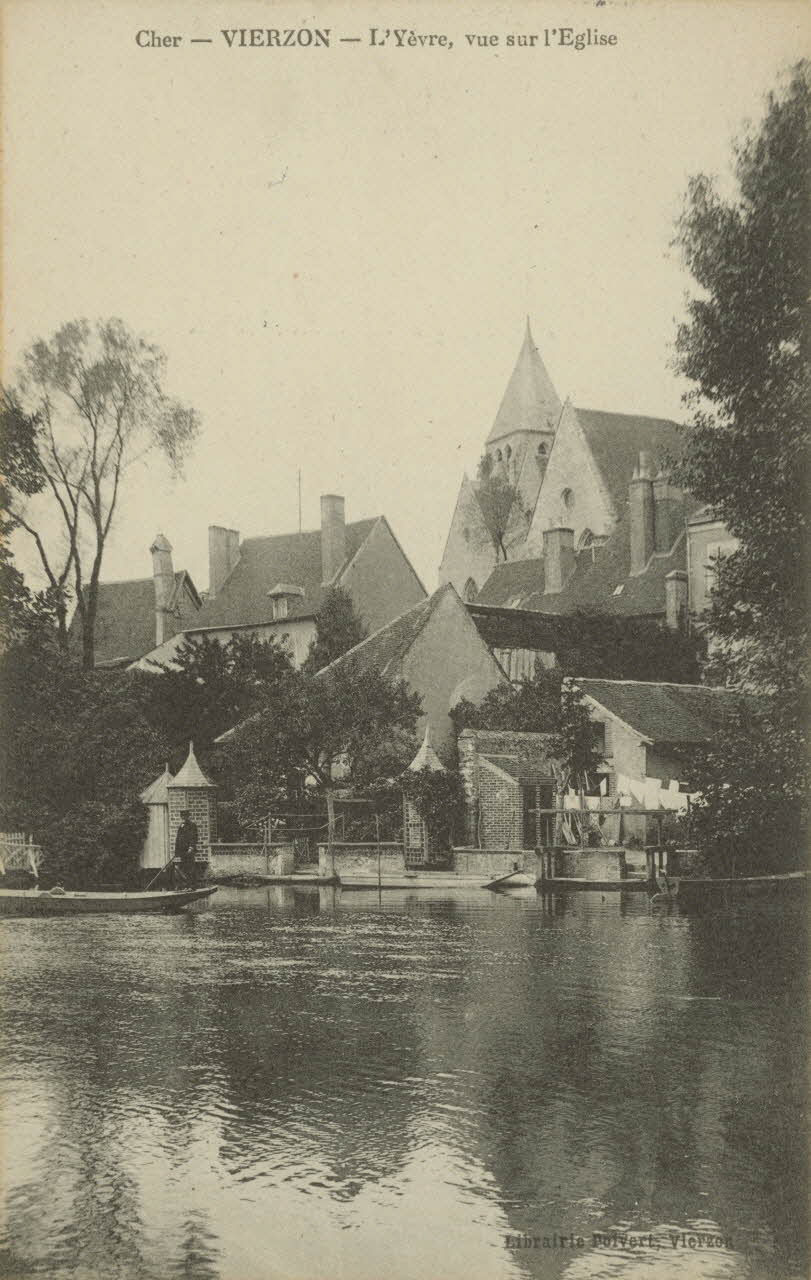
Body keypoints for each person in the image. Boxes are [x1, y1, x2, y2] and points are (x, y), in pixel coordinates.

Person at [173, 810, 199, 888]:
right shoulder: (181, 826)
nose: (184, 818)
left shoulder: (192, 825)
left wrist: (191, 847)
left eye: (185, 816)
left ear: (188, 816)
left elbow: (194, 837)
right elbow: (178, 839)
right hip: (182, 851)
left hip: (189, 851)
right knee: (184, 868)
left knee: (190, 868)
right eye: (182, 816)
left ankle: (192, 886)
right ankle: (186, 886)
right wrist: (176, 852)